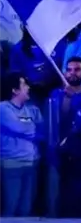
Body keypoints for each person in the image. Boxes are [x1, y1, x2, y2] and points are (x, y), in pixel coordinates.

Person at [0, 74, 43, 216]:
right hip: (12, 164)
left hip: (32, 163)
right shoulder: (3, 108)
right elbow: (20, 128)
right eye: (24, 85)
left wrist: (31, 129)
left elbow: (42, 131)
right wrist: (31, 129)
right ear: (15, 90)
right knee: (11, 206)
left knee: (26, 208)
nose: (28, 88)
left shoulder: (32, 109)